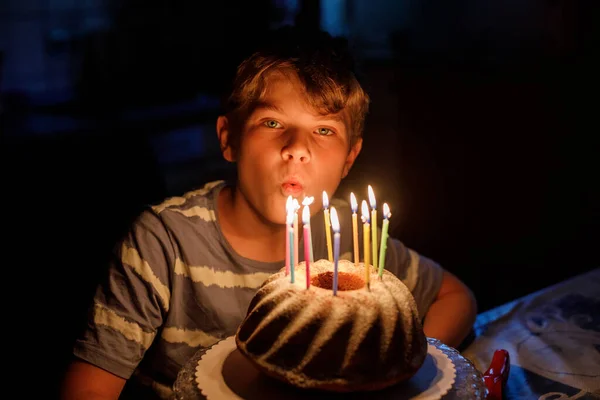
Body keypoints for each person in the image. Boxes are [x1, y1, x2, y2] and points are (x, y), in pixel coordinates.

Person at [59, 25, 477, 400]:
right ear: (229, 139)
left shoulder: (349, 239)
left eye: (324, 130)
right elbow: (90, 386)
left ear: (350, 159)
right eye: (273, 123)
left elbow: (456, 296)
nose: (297, 147)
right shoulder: (164, 243)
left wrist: (399, 366)